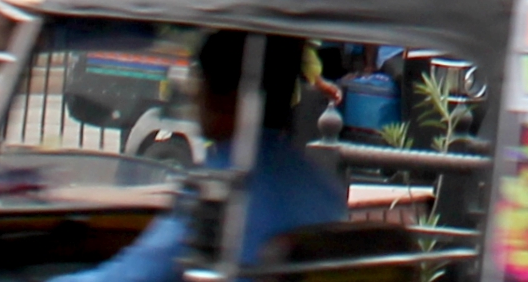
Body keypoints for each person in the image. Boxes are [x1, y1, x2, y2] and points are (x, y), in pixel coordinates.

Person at [73, 28, 349, 282]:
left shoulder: (222, 188)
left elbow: (135, 274)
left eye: (201, 79)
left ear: (229, 95)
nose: (194, 91)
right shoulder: (318, 184)